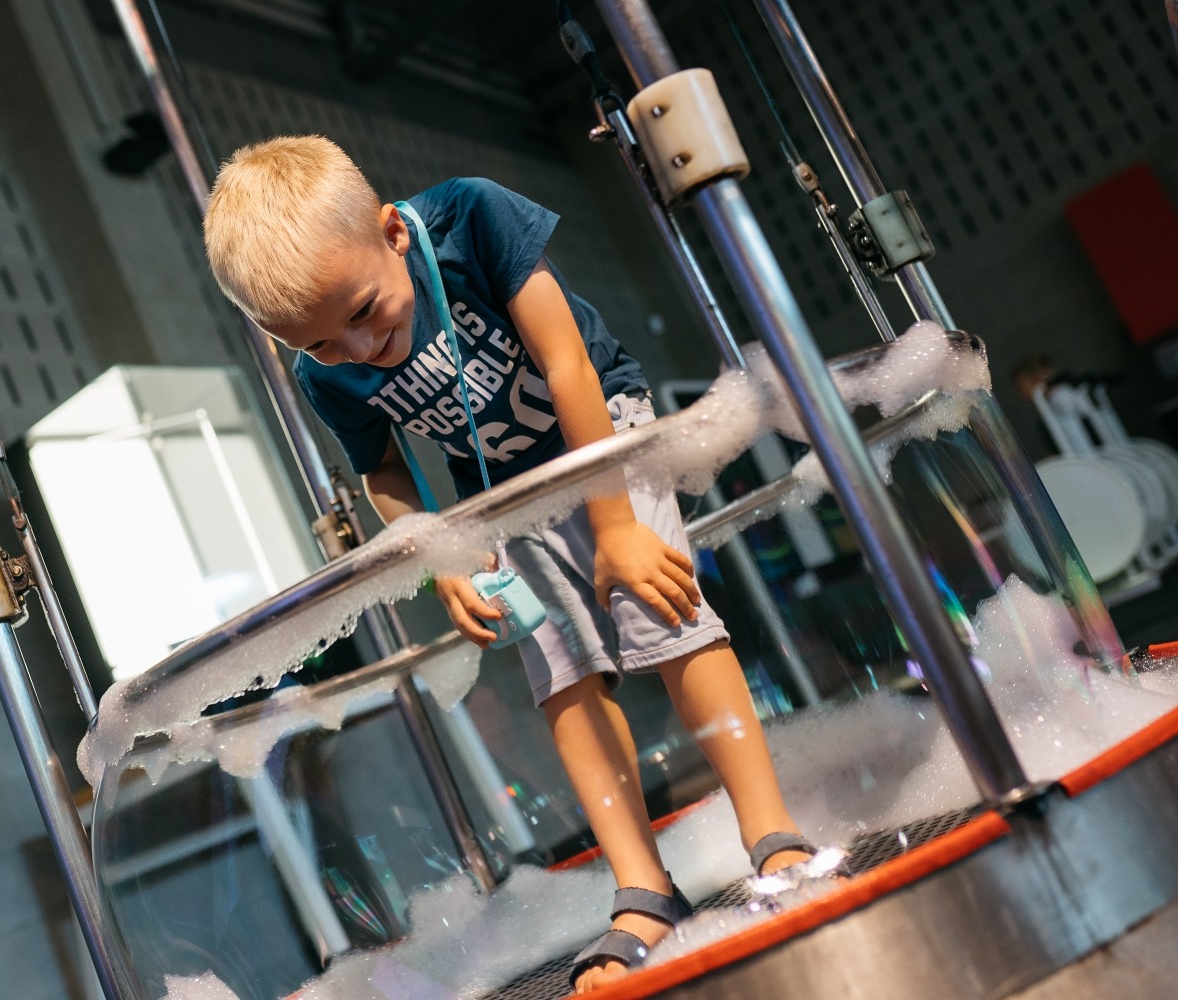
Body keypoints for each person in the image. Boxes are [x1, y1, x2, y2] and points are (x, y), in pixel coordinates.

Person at [204, 135, 824, 993]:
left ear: (392, 233)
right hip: (502, 492)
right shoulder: (329, 375)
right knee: (563, 676)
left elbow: (566, 360)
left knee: (664, 613)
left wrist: (615, 524)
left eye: (361, 312)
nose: (356, 349)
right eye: (320, 344)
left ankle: (772, 835)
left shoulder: (470, 220)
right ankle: (643, 889)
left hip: (604, 427)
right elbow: (383, 471)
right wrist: (444, 560)